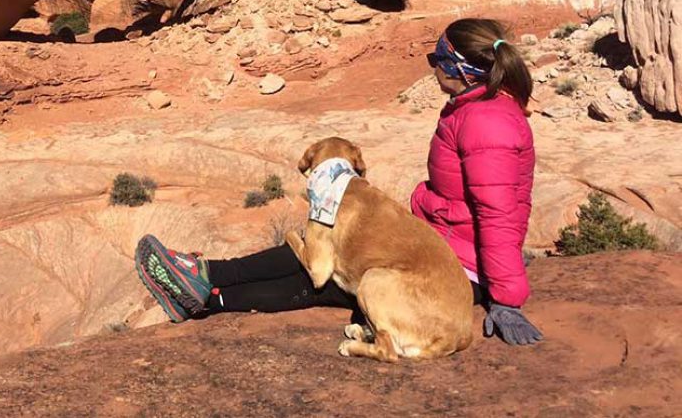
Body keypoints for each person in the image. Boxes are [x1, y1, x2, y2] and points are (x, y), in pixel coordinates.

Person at [135, 18, 544, 346]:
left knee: (322, 275)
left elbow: (497, 214)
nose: (432, 65)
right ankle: (206, 278)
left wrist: (505, 299)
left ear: (462, 69)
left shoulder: (487, 123)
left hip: (454, 268)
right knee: (322, 245)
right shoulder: (472, 109)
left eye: (437, 57)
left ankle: (207, 291)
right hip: (439, 242)